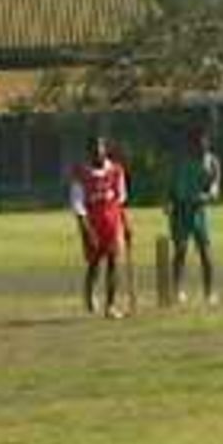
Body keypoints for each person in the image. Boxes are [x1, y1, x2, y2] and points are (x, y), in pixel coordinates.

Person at [70, 135, 129, 319]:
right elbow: (77, 204)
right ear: (89, 152)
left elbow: (120, 200)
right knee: (94, 264)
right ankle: (89, 294)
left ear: (105, 149)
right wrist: (87, 231)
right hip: (93, 225)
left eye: (101, 147)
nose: (98, 152)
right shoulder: (82, 173)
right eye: (94, 149)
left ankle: (110, 306)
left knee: (114, 262)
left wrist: (125, 225)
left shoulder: (116, 170)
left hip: (112, 223)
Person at [167, 125, 221, 304]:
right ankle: (177, 290)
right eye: (198, 141)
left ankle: (210, 292)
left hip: (198, 210)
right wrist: (169, 202)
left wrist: (210, 194)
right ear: (191, 143)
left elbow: (215, 186)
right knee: (181, 250)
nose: (202, 144)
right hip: (180, 209)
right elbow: (172, 185)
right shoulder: (181, 160)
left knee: (205, 251)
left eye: (205, 141)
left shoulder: (212, 161)